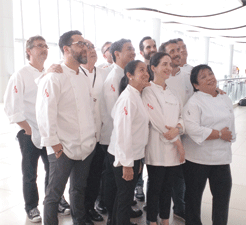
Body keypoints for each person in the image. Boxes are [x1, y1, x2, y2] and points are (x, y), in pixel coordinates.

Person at [3, 35, 69, 223]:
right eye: (39, 46)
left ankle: (55, 201)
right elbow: (11, 107)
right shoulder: (21, 74)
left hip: (49, 132)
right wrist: (28, 130)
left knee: (54, 170)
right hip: (29, 132)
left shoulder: (50, 72)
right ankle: (31, 206)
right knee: (30, 172)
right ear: (29, 51)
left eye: (46, 46)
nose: (44, 49)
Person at [36, 30, 96, 225]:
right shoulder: (54, 77)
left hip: (85, 145)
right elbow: (45, 113)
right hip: (62, 147)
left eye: (85, 43)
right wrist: (54, 144)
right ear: (66, 49)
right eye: (80, 44)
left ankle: (79, 221)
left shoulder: (84, 74)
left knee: (78, 189)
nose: (85, 47)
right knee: (54, 193)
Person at [182, 64, 236, 225]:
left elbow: (231, 124)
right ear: (196, 85)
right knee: (193, 200)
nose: (210, 78)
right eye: (203, 77)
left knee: (222, 200)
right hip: (197, 159)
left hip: (222, 159)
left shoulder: (225, 98)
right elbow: (192, 128)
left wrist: (228, 136)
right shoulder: (194, 102)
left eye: (210, 74)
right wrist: (219, 134)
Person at [100, 38, 142, 225]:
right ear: (116, 54)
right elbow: (116, 116)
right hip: (116, 144)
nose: (133, 52)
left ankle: (117, 219)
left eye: (133, 49)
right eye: (129, 49)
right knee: (117, 191)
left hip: (126, 144)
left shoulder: (127, 77)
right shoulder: (113, 79)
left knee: (121, 192)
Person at [142, 52, 185, 225]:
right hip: (157, 149)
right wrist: (178, 143)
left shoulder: (173, 93)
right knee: (155, 188)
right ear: (153, 68)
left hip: (173, 151)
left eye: (169, 64)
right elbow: (159, 122)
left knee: (168, 188)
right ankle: (152, 220)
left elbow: (181, 117)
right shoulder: (148, 91)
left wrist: (179, 128)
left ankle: (165, 220)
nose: (168, 68)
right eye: (164, 64)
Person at [108, 60, 150, 225]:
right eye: (141, 70)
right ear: (129, 75)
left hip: (133, 156)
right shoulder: (127, 98)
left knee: (123, 196)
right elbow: (122, 133)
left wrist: (137, 159)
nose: (145, 73)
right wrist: (126, 164)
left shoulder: (137, 94)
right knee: (125, 198)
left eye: (146, 70)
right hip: (123, 157)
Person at [80, 39, 108, 224]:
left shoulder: (105, 73)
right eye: (87, 47)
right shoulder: (73, 72)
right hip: (80, 135)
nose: (91, 51)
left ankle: (91, 206)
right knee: (80, 179)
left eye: (93, 48)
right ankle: (80, 211)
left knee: (96, 174)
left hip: (100, 134)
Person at [135, 36, 158, 203]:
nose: (152, 49)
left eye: (154, 46)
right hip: (140, 122)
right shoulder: (138, 69)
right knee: (139, 158)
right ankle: (138, 186)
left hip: (156, 123)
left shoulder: (158, 69)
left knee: (153, 161)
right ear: (142, 51)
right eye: (148, 47)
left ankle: (152, 196)